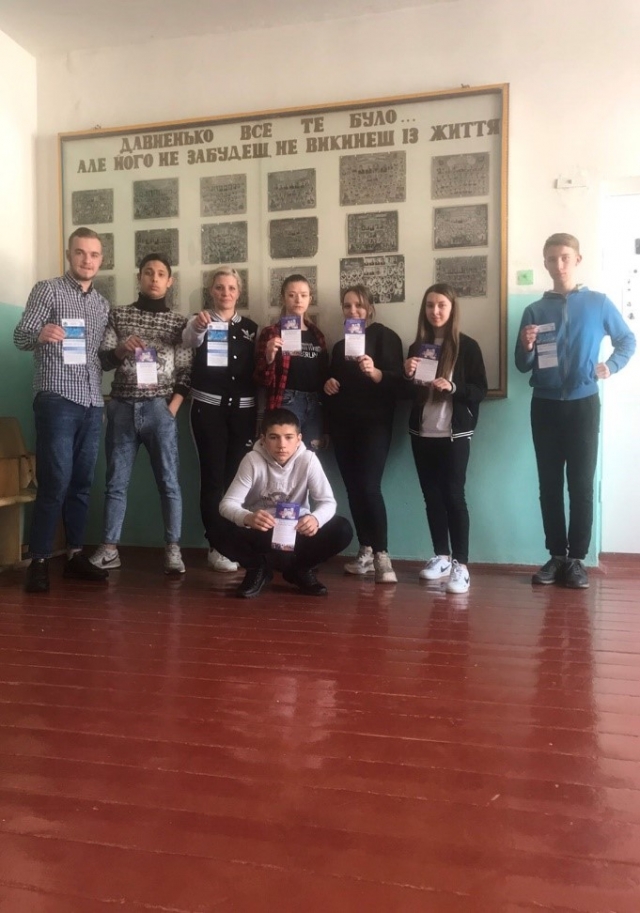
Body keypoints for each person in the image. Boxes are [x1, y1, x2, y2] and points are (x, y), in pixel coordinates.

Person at [515, 232, 636, 588]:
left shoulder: (598, 303)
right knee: (549, 485)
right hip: (545, 405)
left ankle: (577, 560)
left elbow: (627, 340)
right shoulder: (535, 310)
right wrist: (526, 346)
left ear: (577, 260)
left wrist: (611, 366)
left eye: (565, 257)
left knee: (581, 485)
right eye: (552, 259)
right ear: (545, 263)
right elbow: (522, 365)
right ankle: (556, 555)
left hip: (584, 404)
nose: (559, 264)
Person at [13, 227, 110, 593]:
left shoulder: (101, 304)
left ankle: (74, 556)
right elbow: (20, 336)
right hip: (57, 398)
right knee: (55, 481)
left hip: (92, 401)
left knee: (82, 483)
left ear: (101, 260)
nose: (87, 260)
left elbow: (99, 357)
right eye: (80, 252)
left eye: (94, 254)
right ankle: (39, 561)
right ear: (69, 255)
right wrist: (39, 334)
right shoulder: (48, 290)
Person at [89, 254, 193, 575]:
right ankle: (110, 549)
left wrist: (171, 408)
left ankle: (173, 549)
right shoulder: (118, 315)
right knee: (116, 483)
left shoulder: (178, 323)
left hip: (160, 409)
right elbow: (104, 360)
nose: (154, 278)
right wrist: (122, 349)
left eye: (161, 273)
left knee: (169, 482)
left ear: (169, 281)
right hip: (122, 407)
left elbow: (186, 370)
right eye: (148, 272)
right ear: (140, 277)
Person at [404, 283, 487, 595]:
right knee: (432, 496)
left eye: (441, 305)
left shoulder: (468, 346)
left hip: (454, 433)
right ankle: (441, 556)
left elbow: (479, 390)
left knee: (454, 495)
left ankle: (461, 565)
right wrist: (406, 373)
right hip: (422, 432)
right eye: (430, 305)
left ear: (452, 309)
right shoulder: (417, 347)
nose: (435, 311)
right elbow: (407, 394)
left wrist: (453, 388)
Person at [219, 408, 353, 599]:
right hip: (262, 532)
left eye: (289, 437)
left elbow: (328, 502)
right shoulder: (252, 461)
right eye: (274, 437)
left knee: (343, 529)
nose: (282, 445)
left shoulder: (308, 460)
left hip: (297, 532)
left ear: (299, 439)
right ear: (263, 439)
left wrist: (315, 519)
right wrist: (248, 517)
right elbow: (227, 504)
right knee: (216, 525)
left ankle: (300, 570)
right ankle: (258, 569)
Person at [323, 284, 403, 584]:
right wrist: (329, 384)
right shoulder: (339, 347)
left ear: (369, 308)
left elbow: (399, 382)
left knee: (369, 487)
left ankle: (382, 554)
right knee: (354, 489)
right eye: (347, 306)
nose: (353, 310)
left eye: (358, 305)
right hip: (344, 426)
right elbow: (332, 384)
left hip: (375, 425)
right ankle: (366, 549)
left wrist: (376, 372)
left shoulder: (386, 337)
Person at [182, 267, 258, 572]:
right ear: (211, 291)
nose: (225, 293)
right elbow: (189, 340)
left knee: (237, 480)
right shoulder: (199, 321)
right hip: (208, 410)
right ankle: (217, 545)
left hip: (244, 412)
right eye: (219, 287)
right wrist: (198, 327)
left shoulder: (251, 328)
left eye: (231, 288)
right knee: (213, 478)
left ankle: (236, 543)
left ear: (239, 292)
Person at [254, 274, 328, 450]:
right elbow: (260, 380)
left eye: (303, 295)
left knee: (310, 457)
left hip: (314, 403)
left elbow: (324, 374)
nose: (298, 300)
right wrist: (269, 357)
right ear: (283, 298)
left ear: (310, 299)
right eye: (292, 295)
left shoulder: (317, 334)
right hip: (287, 400)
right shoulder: (271, 333)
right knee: (284, 455)